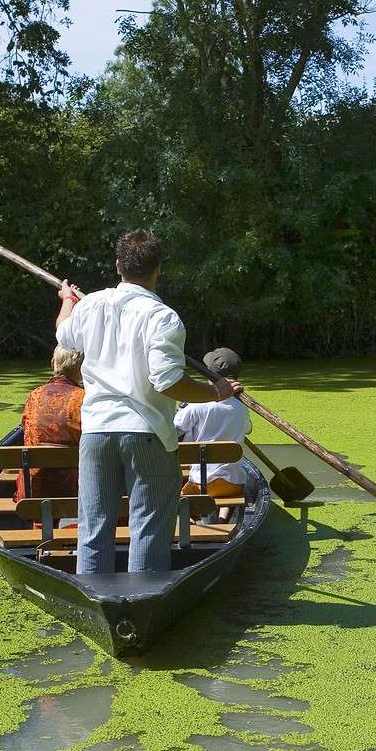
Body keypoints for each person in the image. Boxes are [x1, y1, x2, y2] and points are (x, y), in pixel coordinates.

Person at [54, 230, 241, 574]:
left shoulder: (91, 304)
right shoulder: (163, 317)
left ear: (118, 265)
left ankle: (97, 607)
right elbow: (168, 382)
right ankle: (144, 608)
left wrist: (68, 299)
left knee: (93, 529)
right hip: (146, 432)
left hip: (96, 432)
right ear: (158, 270)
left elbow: (63, 332)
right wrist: (217, 392)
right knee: (149, 529)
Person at [175, 348, 251, 520]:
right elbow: (248, 429)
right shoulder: (241, 408)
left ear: (208, 376)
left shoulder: (197, 404)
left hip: (200, 484)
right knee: (228, 476)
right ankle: (223, 518)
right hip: (232, 485)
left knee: (179, 495)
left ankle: (191, 521)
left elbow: (175, 429)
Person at [16, 347, 85, 504]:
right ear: (82, 369)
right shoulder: (84, 399)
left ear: (53, 363)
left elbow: (26, 432)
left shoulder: (34, 396)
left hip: (33, 491)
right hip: (73, 493)